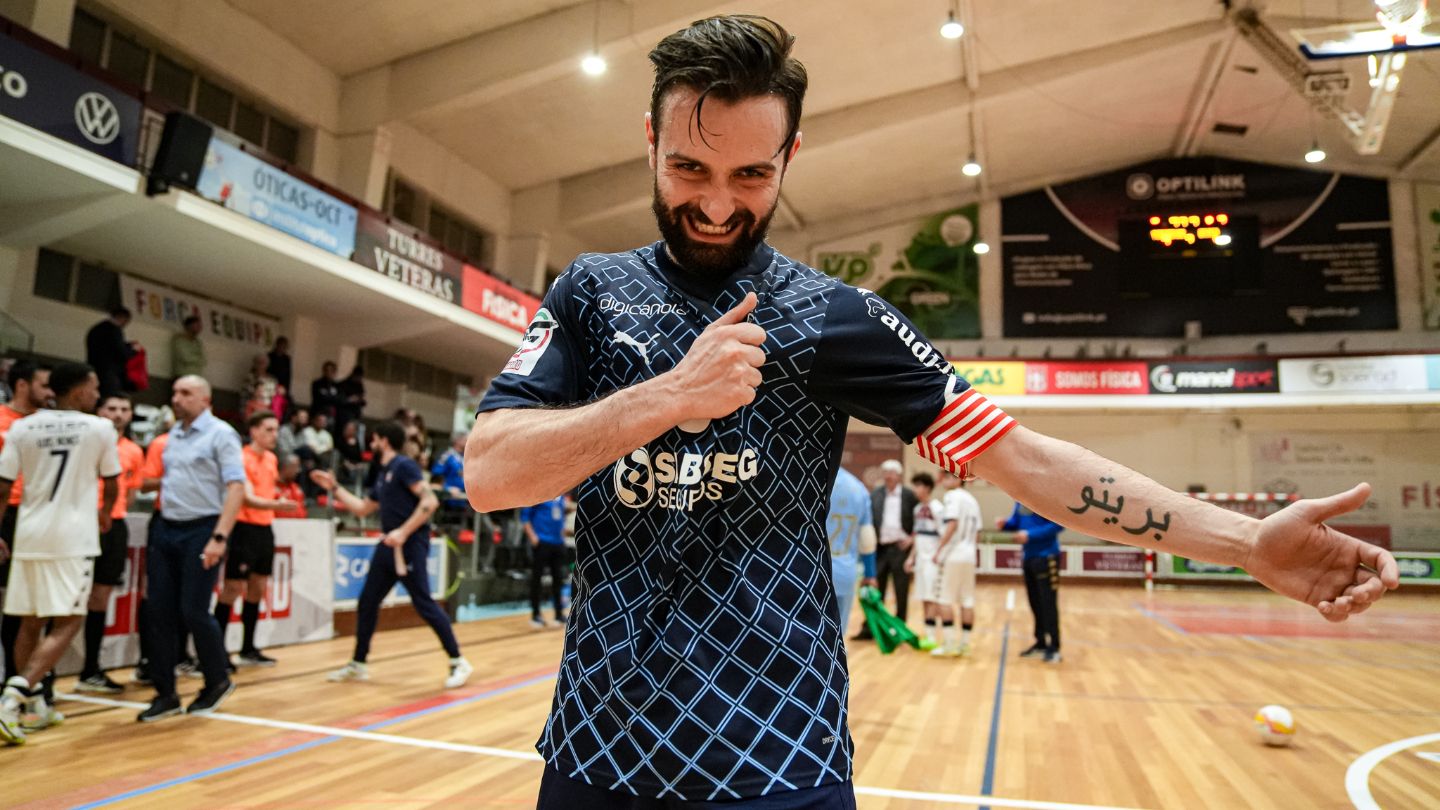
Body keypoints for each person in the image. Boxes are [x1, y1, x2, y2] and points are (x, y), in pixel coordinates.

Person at [461, 15, 1397, 807]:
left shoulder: (834, 316)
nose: (715, 204)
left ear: (790, 157)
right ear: (649, 144)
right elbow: (490, 472)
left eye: (750, 175)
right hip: (595, 754)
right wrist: (667, 397)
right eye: (688, 169)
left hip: (778, 758)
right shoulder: (592, 292)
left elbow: (1025, 461)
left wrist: (1244, 542)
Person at [0, 362, 119, 744]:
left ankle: (34, 708)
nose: (97, 395)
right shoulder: (100, 428)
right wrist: (105, 513)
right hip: (73, 538)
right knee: (69, 621)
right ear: (79, 391)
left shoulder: (23, 426)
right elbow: (112, 483)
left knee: (30, 622)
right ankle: (13, 697)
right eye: (94, 388)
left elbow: (2, 487)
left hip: (29, 534)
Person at [311, 422, 471, 689]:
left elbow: (430, 501)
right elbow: (363, 508)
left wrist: (403, 532)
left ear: (383, 441)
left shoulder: (404, 466)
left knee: (424, 603)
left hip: (409, 544)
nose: (371, 444)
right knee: (367, 602)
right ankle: (358, 663)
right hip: (388, 545)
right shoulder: (384, 471)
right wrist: (334, 487)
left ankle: (458, 661)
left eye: (373, 439)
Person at [137, 375, 245, 723]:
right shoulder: (173, 436)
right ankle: (165, 693)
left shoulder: (221, 434)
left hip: (203, 528)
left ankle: (217, 679)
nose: (177, 398)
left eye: (186, 393)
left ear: (205, 400)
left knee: (193, 610)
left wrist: (220, 537)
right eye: (174, 392)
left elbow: (236, 487)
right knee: (158, 611)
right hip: (167, 526)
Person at [215, 412, 298, 668]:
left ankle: (248, 648)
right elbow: (247, 497)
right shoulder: (241, 458)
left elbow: (266, 493)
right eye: (269, 429)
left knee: (258, 587)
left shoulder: (271, 459)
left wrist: (275, 504)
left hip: (264, 529)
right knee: (232, 588)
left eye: (276, 429)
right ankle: (216, 651)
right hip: (243, 528)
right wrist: (277, 505)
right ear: (254, 431)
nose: (274, 435)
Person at [76, 394, 145, 693]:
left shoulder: (133, 451)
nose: (118, 414)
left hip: (114, 525)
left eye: (124, 409)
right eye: (112, 408)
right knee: (68, 596)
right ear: (99, 410)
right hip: (82, 522)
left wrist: (112, 513)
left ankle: (91, 669)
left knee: (100, 596)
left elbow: (130, 492)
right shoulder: (84, 442)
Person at [0, 360, 51, 688]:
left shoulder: (49, 425)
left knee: (27, 606)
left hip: (38, 517)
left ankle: (21, 683)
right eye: (44, 385)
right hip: (7, 514)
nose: (50, 392)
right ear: (22, 384)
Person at [1000, 502, 1066, 663]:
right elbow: (1016, 521)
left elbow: (1058, 524)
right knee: (1035, 602)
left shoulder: (1047, 498)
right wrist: (1006, 525)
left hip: (1047, 556)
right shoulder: (1020, 500)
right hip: (1029, 557)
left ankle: (1054, 647)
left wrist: (1030, 535)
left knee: (1048, 603)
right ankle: (1041, 642)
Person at [930, 473, 982, 657]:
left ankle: (949, 644)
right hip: (969, 555)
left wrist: (939, 549)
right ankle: (965, 644)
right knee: (967, 600)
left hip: (954, 553)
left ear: (958, 479)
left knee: (945, 599)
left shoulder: (952, 496)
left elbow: (952, 523)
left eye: (947, 477)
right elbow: (978, 532)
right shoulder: (972, 500)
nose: (944, 481)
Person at [903, 472, 953, 654]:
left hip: (933, 560)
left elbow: (945, 533)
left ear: (927, 488)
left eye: (918, 486)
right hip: (921, 561)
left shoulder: (937, 508)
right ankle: (929, 635)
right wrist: (911, 557)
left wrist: (939, 554)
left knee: (933, 597)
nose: (915, 490)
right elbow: (917, 536)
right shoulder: (917, 509)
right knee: (924, 596)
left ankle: (938, 638)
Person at [868, 458, 917, 635]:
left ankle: (900, 628)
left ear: (899, 476)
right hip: (880, 548)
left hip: (900, 549)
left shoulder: (909, 495)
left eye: (892, 473)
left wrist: (911, 539)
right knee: (876, 590)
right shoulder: (876, 494)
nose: (888, 476)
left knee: (901, 590)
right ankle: (876, 629)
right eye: (886, 473)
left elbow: (919, 519)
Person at [828, 466, 876, 635]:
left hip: (813, 570)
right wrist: (870, 573)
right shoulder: (858, 488)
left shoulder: (812, 481)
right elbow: (867, 538)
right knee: (840, 630)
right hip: (846, 571)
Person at [522, 494, 568, 629]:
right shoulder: (540, 493)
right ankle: (536, 614)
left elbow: (561, 517)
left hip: (557, 543)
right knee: (537, 579)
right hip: (542, 542)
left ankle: (559, 614)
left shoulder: (561, 497)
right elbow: (525, 517)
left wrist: (562, 536)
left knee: (558, 579)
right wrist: (533, 537)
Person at [85, 308, 137, 398]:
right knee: (109, 398)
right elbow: (121, 352)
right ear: (123, 318)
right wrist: (133, 350)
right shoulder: (115, 330)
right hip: (109, 373)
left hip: (93, 369)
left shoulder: (96, 329)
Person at [171, 315, 206, 379]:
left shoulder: (198, 342)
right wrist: (197, 358)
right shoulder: (179, 340)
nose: (200, 328)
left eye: (200, 326)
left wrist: (195, 359)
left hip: (196, 377)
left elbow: (204, 360)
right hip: (182, 376)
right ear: (189, 326)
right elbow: (186, 358)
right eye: (197, 325)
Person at [310, 362, 342, 427]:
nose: (329, 373)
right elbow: (318, 398)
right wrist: (331, 397)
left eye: (331, 371)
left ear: (334, 372)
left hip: (331, 415)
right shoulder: (317, 383)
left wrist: (327, 397)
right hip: (318, 412)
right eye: (327, 370)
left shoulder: (337, 386)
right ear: (324, 371)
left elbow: (339, 400)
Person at [336, 366, 366, 434]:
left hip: (356, 414)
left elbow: (362, 400)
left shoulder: (359, 386)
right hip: (345, 414)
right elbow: (340, 400)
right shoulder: (343, 384)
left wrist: (359, 400)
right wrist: (350, 399)